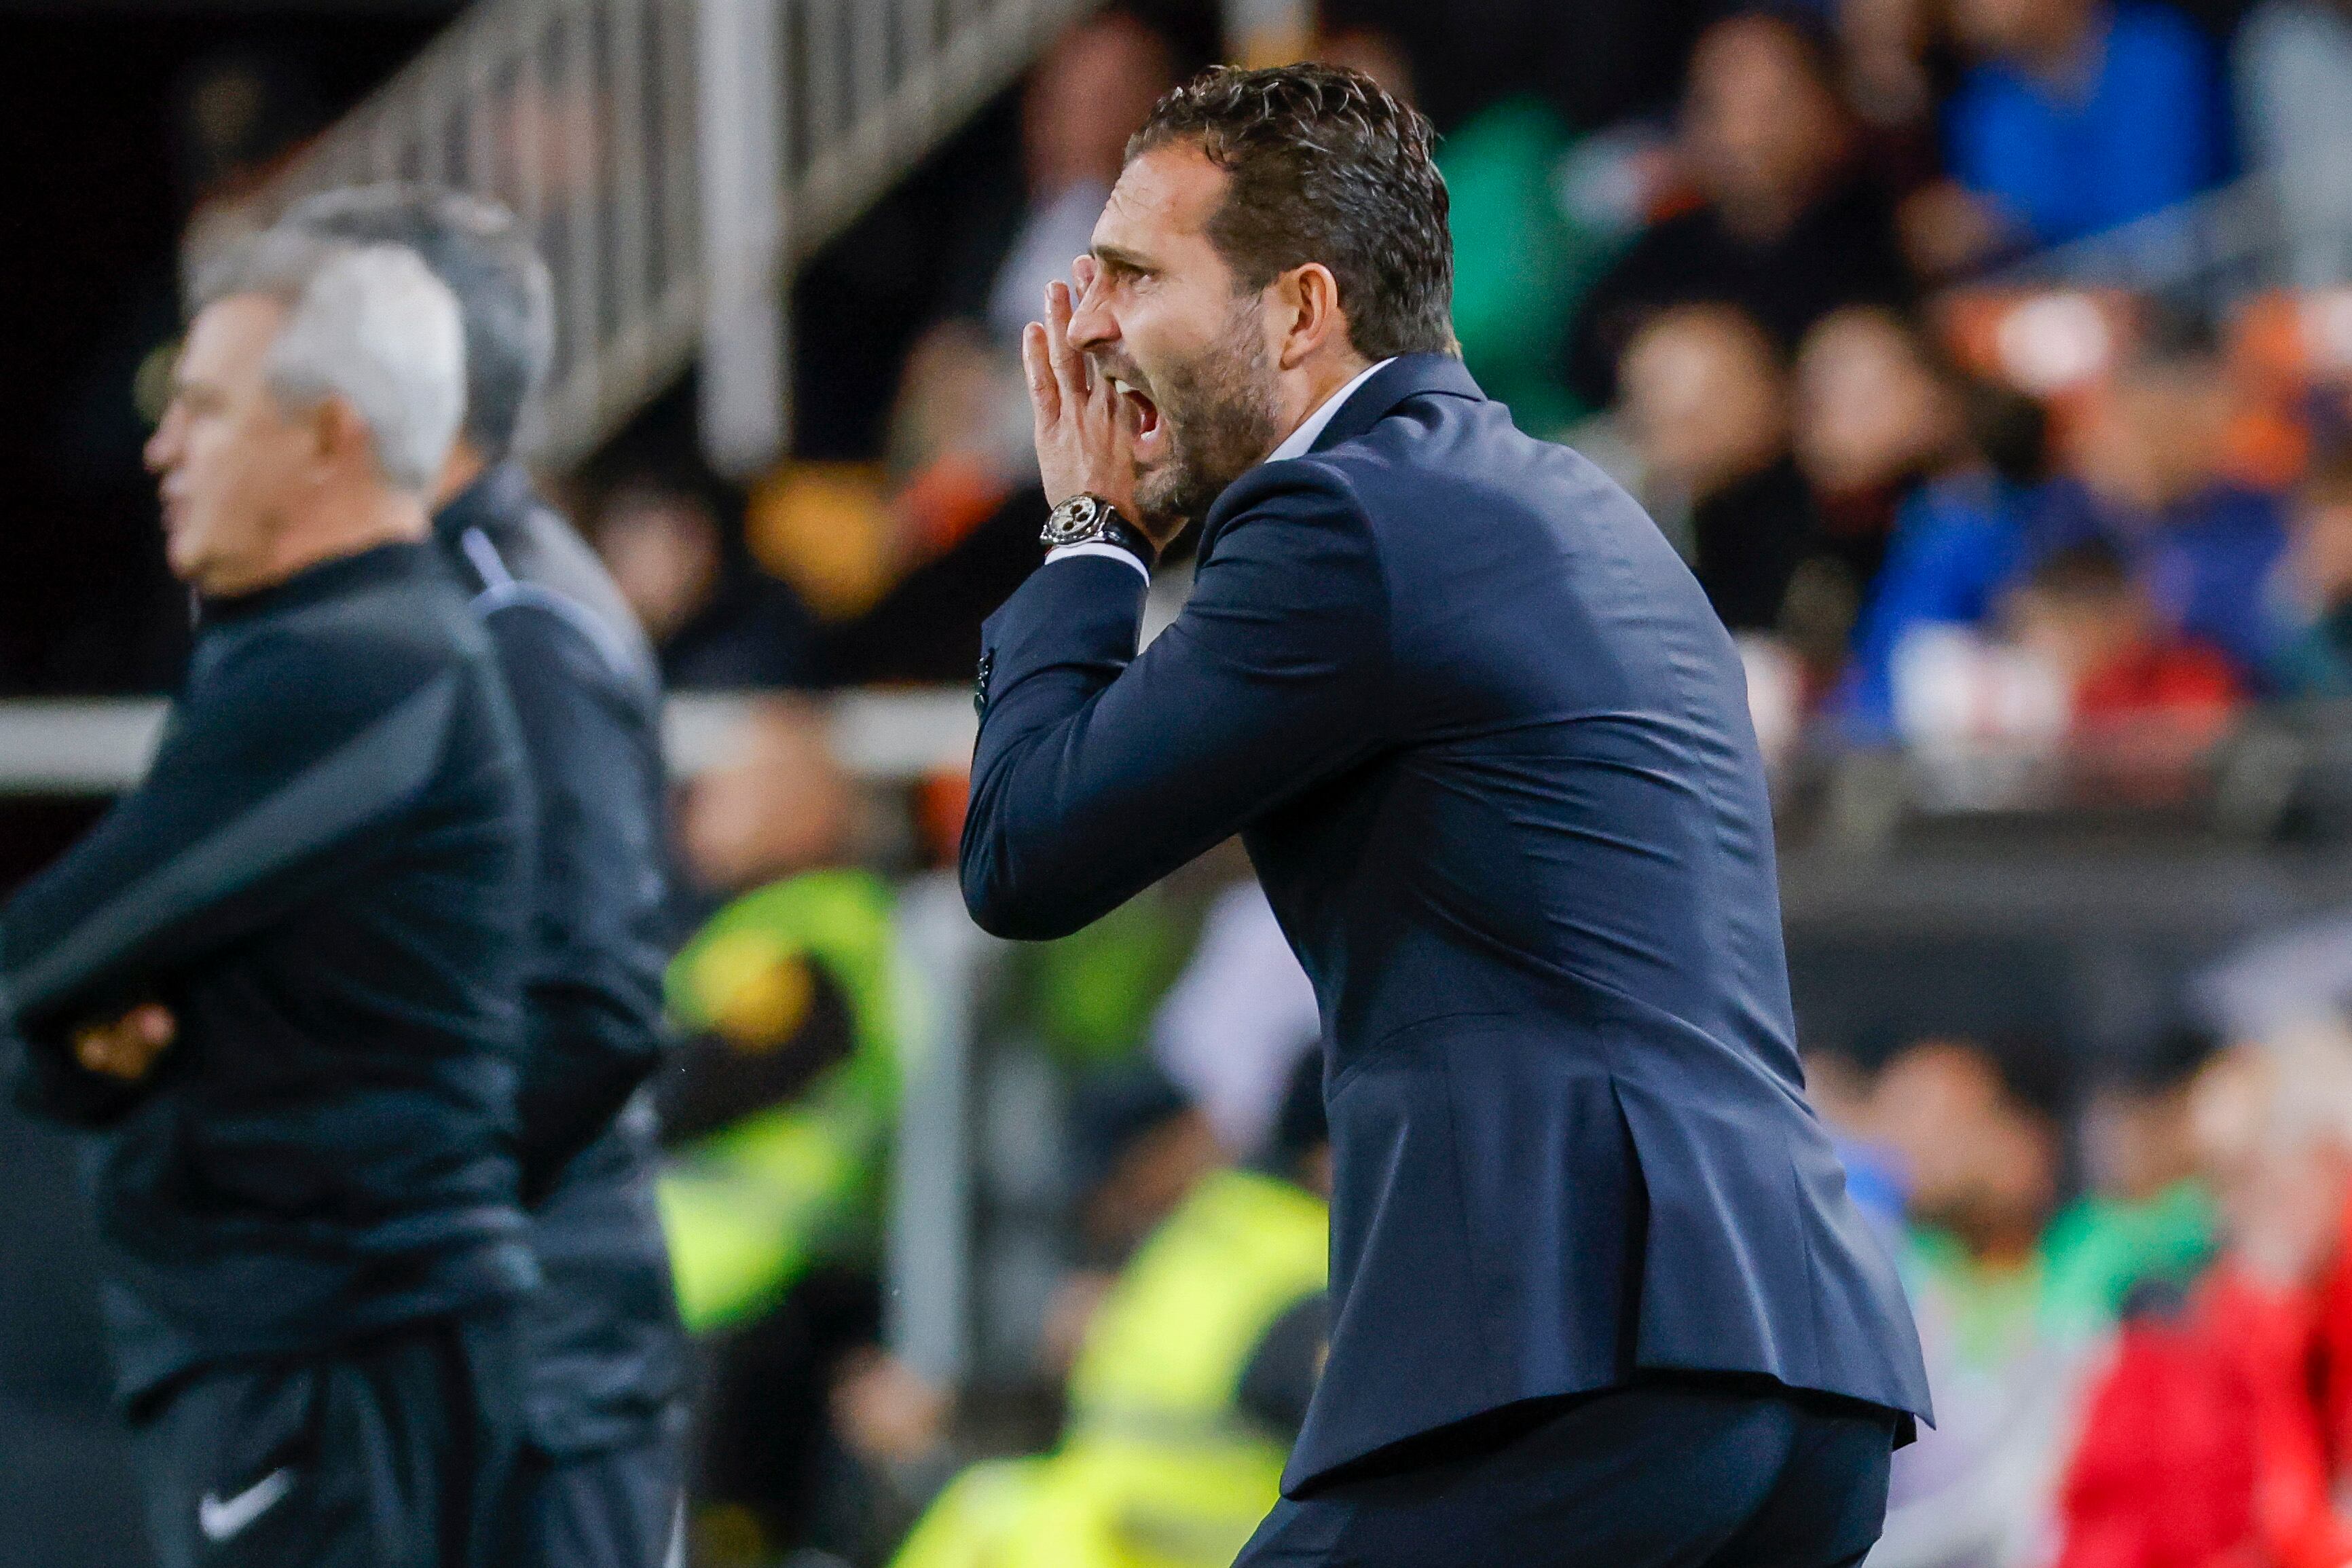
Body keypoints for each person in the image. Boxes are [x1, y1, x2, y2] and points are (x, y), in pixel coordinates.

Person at [958, 62, 1930, 1567]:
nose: (1084, 322)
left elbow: (1026, 849)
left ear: (1297, 311)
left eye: (1135, 274)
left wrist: (1089, 536)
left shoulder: (1341, 517)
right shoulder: (1569, 504)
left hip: (1575, 1363)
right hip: (1796, 1368)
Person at [1, 234, 537, 1568]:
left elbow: (62, 944)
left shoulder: (363, 661)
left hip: (335, 1363)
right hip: (275, 1349)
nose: (160, 447)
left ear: (328, 439)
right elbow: (101, 1000)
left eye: (208, 409)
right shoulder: (289, 655)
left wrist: (71, 1009)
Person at [282, 183, 688, 1568]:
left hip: (532, 1351)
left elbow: (586, 1001)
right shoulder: (423, 597)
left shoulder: (516, 620)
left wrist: (377, 1211)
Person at [1566, 9, 1913, 409]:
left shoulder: (1884, 237)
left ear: (1829, 109)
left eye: (1770, 107)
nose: (1745, 135)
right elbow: (1584, 359)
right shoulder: (1665, 253)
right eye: (1720, 107)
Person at [1941, 0, 2224, 250]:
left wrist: (2013, 219)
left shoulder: (2158, 51)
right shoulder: (1985, 111)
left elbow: (2156, 214)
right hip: (2067, 303)